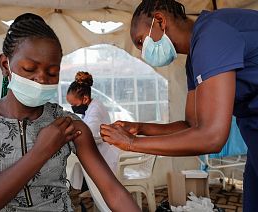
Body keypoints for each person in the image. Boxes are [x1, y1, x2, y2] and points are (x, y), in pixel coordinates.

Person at [0, 13, 140, 212]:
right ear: (5, 65)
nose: (41, 79)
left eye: (52, 73)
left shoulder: (68, 125)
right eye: (29, 68)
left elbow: (112, 191)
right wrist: (41, 151)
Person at [100, 0, 258, 211]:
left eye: (140, 41)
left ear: (159, 20)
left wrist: (132, 143)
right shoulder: (195, 59)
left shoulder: (212, 36)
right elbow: (192, 125)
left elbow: (212, 137)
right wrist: (141, 128)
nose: (141, 52)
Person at [67, 71, 120, 173]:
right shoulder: (90, 107)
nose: (73, 108)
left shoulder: (95, 110)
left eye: (74, 105)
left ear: (85, 99)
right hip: (100, 156)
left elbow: (89, 131)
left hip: (105, 159)